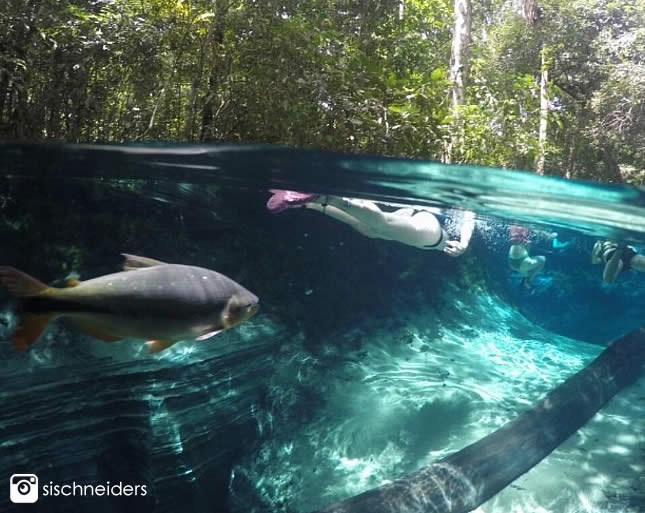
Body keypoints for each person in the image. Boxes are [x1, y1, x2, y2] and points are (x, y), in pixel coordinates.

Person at [267, 190, 475, 257]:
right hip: (435, 229)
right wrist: (464, 244)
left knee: (368, 229)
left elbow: (469, 216)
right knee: (381, 224)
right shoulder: (464, 196)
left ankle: (303, 202)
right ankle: (323, 197)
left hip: (417, 213)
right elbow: (468, 217)